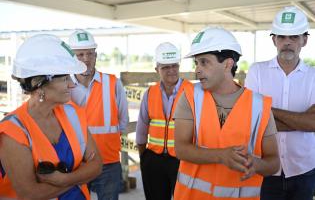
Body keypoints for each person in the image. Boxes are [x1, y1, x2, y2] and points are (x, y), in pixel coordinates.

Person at [173, 27, 280, 200]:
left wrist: (257, 164)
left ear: (228, 64)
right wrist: (221, 156)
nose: (197, 70)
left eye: (204, 62)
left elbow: (274, 162)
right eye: (196, 63)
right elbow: (181, 149)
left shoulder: (259, 106)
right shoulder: (190, 96)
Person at [0, 34, 102, 199]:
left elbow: (96, 165)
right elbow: (30, 194)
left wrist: (63, 179)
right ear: (39, 85)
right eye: (64, 78)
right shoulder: (13, 131)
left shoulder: (73, 113)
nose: (71, 83)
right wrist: (81, 174)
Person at [245, 6, 315, 200]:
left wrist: (266, 108)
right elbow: (251, 119)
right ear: (274, 39)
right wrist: (301, 121)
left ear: (305, 40)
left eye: (293, 37)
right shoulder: (257, 71)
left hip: (304, 170)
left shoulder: (314, 77)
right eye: (282, 37)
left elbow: (314, 124)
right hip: (267, 169)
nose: (287, 43)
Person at [69, 29, 129, 200]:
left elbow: (123, 121)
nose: (86, 59)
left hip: (107, 162)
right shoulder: (62, 86)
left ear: (96, 54)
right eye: (80, 55)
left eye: (90, 54)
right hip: (75, 163)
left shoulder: (112, 83)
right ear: (71, 57)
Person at [136, 42, 192, 200]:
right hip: (154, 160)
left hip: (183, 160)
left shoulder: (192, 92)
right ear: (157, 70)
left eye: (174, 65)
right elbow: (142, 127)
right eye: (165, 67)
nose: (171, 71)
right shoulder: (150, 93)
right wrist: (144, 157)